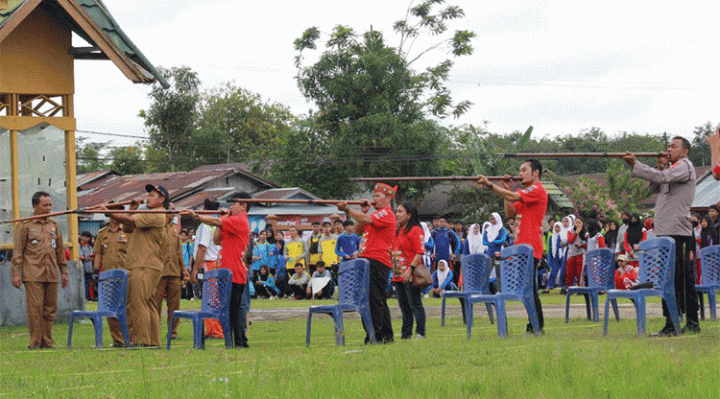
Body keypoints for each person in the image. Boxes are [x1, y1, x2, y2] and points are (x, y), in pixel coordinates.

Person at [623, 136, 700, 335]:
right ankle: (673, 322)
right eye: (668, 146)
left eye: (674, 146)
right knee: (670, 279)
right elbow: (654, 186)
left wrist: (636, 164)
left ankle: (687, 321)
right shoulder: (671, 170)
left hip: (678, 232)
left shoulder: (684, 166)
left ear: (685, 151)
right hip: (666, 232)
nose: (669, 149)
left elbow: (664, 178)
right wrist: (658, 168)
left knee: (681, 279)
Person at [477, 159, 548, 334]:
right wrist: (506, 189)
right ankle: (535, 325)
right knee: (526, 289)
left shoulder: (536, 189)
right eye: (520, 170)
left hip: (530, 247)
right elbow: (510, 211)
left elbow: (514, 197)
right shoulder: (526, 192)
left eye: (524, 170)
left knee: (529, 289)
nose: (521, 173)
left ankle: (536, 326)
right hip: (521, 246)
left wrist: (490, 185)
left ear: (535, 173)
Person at [181, 192, 252, 348]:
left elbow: (213, 221)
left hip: (235, 272)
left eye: (234, 204)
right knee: (230, 309)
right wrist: (224, 220)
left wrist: (196, 216)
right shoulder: (231, 221)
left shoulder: (240, 220)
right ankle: (237, 342)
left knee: (234, 309)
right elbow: (217, 239)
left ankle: (239, 342)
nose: (230, 207)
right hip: (227, 271)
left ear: (243, 206)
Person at [102, 184, 168, 347]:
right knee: (148, 303)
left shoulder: (158, 214)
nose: (148, 197)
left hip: (145, 264)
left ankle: (141, 340)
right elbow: (128, 227)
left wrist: (109, 212)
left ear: (161, 200)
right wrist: (132, 208)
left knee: (138, 302)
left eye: (152, 195)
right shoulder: (146, 214)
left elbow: (129, 221)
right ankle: (153, 341)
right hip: (140, 263)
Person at [337, 182, 396, 344]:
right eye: (373, 196)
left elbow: (365, 219)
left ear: (389, 197)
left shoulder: (387, 214)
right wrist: (364, 211)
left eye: (377, 196)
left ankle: (375, 335)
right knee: (376, 299)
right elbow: (358, 229)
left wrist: (348, 210)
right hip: (369, 260)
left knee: (372, 299)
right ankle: (384, 335)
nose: (374, 199)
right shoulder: (375, 216)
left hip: (376, 260)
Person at [12, 191, 68, 349]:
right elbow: (18, 253)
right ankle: (35, 342)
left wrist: (63, 271)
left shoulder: (54, 226)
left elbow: (59, 251)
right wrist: (16, 274)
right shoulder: (25, 225)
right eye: (45, 205)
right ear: (35, 206)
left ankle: (47, 341)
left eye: (50, 205)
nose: (48, 208)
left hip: (51, 273)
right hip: (33, 273)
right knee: (35, 310)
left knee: (50, 309)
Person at [390, 202, 426, 339]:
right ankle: (406, 334)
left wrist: (410, 270)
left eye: (400, 212)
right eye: (396, 211)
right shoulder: (397, 231)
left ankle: (420, 333)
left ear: (409, 215)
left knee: (415, 304)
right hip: (398, 274)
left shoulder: (415, 230)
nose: (397, 214)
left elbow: (419, 252)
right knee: (404, 307)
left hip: (410, 273)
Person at [190, 197, 224, 339]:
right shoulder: (216, 223)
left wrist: (195, 269)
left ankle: (217, 331)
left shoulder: (205, 225)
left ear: (204, 208)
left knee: (211, 299)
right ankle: (211, 329)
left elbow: (202, 248)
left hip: (209, 264)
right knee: (210, 298)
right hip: (216, 262)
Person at [94, 211, 129, 347]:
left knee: (126, 308)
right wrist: (96, 272)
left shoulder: (127, 231)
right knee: (110, 308)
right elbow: (98, 254)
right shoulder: (102, 233)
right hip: (108, 276)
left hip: (125, 274)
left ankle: (128, 337)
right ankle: (117, 340)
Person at [153, 208, 188, 341]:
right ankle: (154, 331)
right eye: (170, 209)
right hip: (159, 270)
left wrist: (183, 270)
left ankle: (173, 331)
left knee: (174, 304)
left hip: (174, 270)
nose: (172, 212)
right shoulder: (157, 226)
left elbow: (179, 251)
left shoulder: (175, 228)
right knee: (156, 303)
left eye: (174, 210)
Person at [544, 222, 566, 293]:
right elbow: (550, 248)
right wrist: (550, 258)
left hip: (562, 255)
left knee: (563, 272)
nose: (557, 229)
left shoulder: (563, 236)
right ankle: (549, 286)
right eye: (556, 227)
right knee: (553, 272)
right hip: (555, 256)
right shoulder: (552, 237)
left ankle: (564, 287)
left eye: (559, 227)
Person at [566, 217, 587, 287]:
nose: (577, 224)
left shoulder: (585, 233)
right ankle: (569, 288)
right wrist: (576, 233)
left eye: (579, 222)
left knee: (579, 273)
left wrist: (581, 245)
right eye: (576, 222)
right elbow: (570, 241)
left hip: (580, 254)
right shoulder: (570, 231)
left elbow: (587, 244)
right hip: (571, 254)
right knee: (569, 273)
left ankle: (580, 287)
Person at [79, 231, 95, 301]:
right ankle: (83, 297)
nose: (86, 239)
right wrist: (85, 258)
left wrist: (87, 258)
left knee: (88, 283)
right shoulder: (79, 245)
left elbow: (92, 256)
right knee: (82, 283)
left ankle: (88, 297)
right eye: (85, 237)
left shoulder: (89, 247)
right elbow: (80, 256)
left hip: (89, 268)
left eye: (88, 237)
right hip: (81, 268)